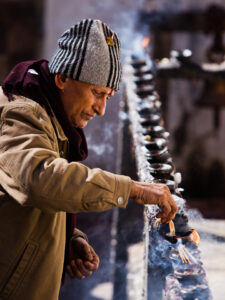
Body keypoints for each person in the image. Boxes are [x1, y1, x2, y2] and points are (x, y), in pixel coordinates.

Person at [0, 19, 177, 300]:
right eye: (96, 93)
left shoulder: (48, 112)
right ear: (62, 79)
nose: (102, 109)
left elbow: (24, 203)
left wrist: (68, 236)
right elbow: (41, 178)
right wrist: (131, 188)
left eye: (108, 96)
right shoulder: (21, 114)